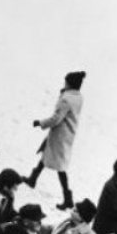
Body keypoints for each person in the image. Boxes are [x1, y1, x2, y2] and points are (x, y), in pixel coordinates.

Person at [24, 71, 86, 210]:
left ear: (69, 83)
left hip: (59, 135)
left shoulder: (66, 99)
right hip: (68, 133)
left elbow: (56, 119)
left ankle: (67, 198)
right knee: (47, 153)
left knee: (60, 166)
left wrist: (40, 123)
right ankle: (33, 178)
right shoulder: (79, 97)